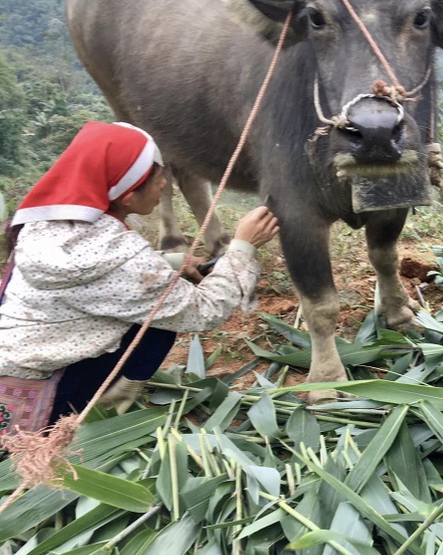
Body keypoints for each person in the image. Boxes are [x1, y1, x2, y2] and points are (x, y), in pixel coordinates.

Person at [0, 121, 279, 434]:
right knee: (157, 329)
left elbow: (99, 280)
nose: (165, 184)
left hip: (14, 368)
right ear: (127, 196)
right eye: (157, 176)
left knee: (159, 305)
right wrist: (243, 246)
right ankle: (88, 420)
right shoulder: (117, 254)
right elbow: (204, 311)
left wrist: (168, 263)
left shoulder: (46, 224)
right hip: (42, 398)